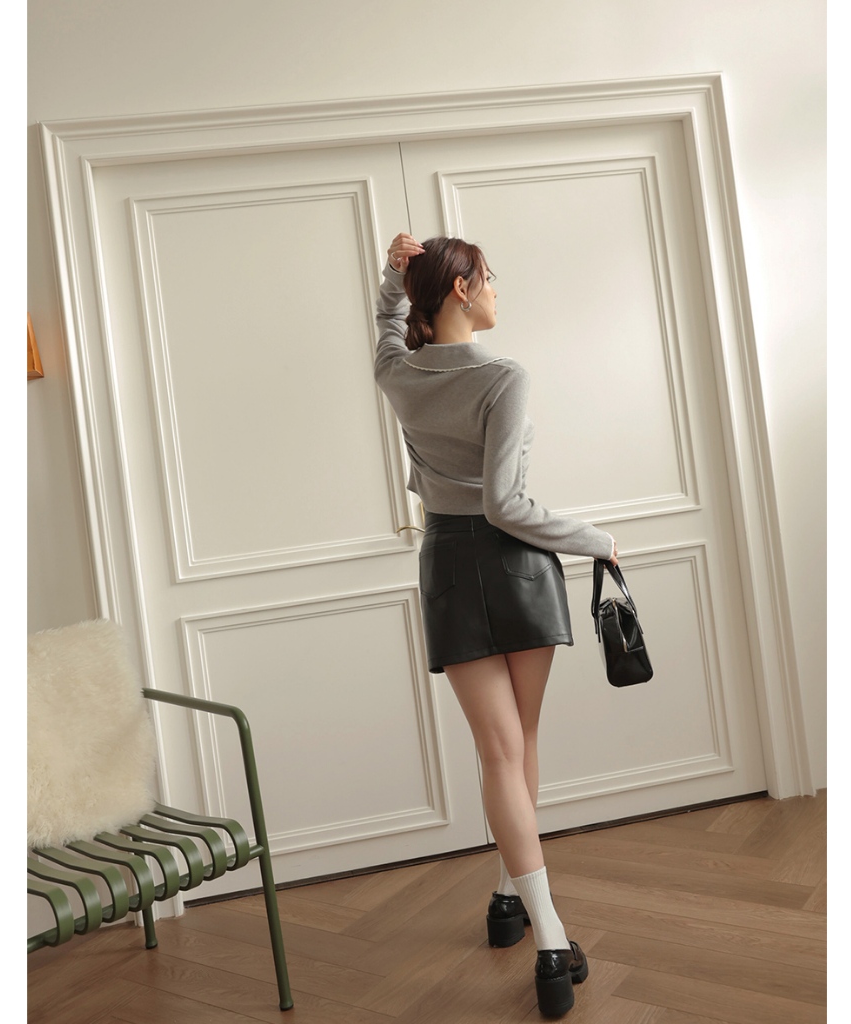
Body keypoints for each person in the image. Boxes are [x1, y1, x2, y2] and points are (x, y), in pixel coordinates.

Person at [374, 233, 619, 1018]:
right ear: (460, 290)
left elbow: (385, 325)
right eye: (488, 279)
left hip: (447, 566)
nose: (495, 291)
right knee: (521, 744)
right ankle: (551, 940)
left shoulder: (397, 373)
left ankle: (510, 898)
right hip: (515, 567)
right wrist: (596, 540)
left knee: (499, 752)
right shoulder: (502, 376)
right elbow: (506, 505)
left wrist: (392, 277)